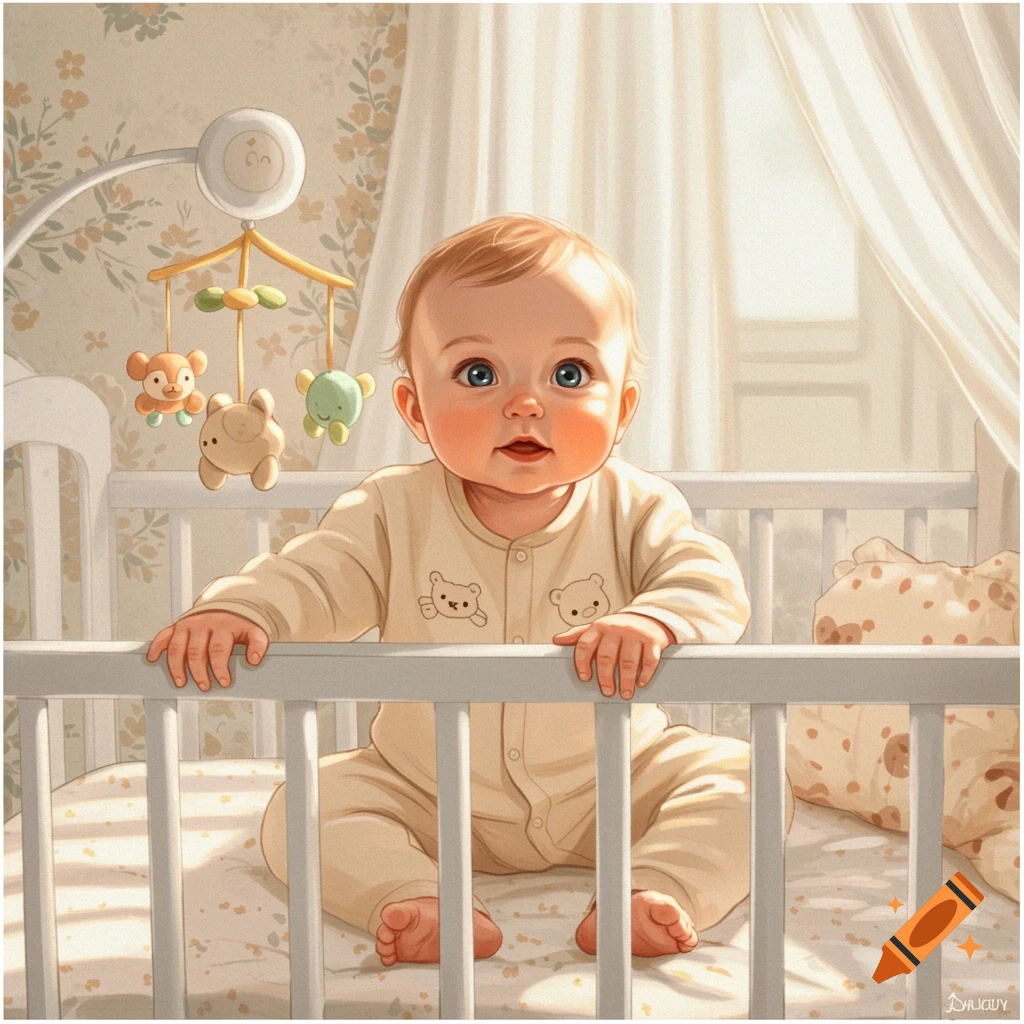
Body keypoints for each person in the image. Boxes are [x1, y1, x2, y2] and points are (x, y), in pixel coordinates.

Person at [147, 213, 795, 966]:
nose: (525, 404)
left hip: (615, 782)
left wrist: (655, 619)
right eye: (479, 375)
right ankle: (416, 896)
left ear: (621, 409)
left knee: (749, 777)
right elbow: (314, 575)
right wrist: (242, 609)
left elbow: (708, 579)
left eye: (569, 375)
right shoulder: (392, 510)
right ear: (415, 409)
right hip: (428, 791)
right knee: (305, 806)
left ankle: (654, 887)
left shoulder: (636, 507)